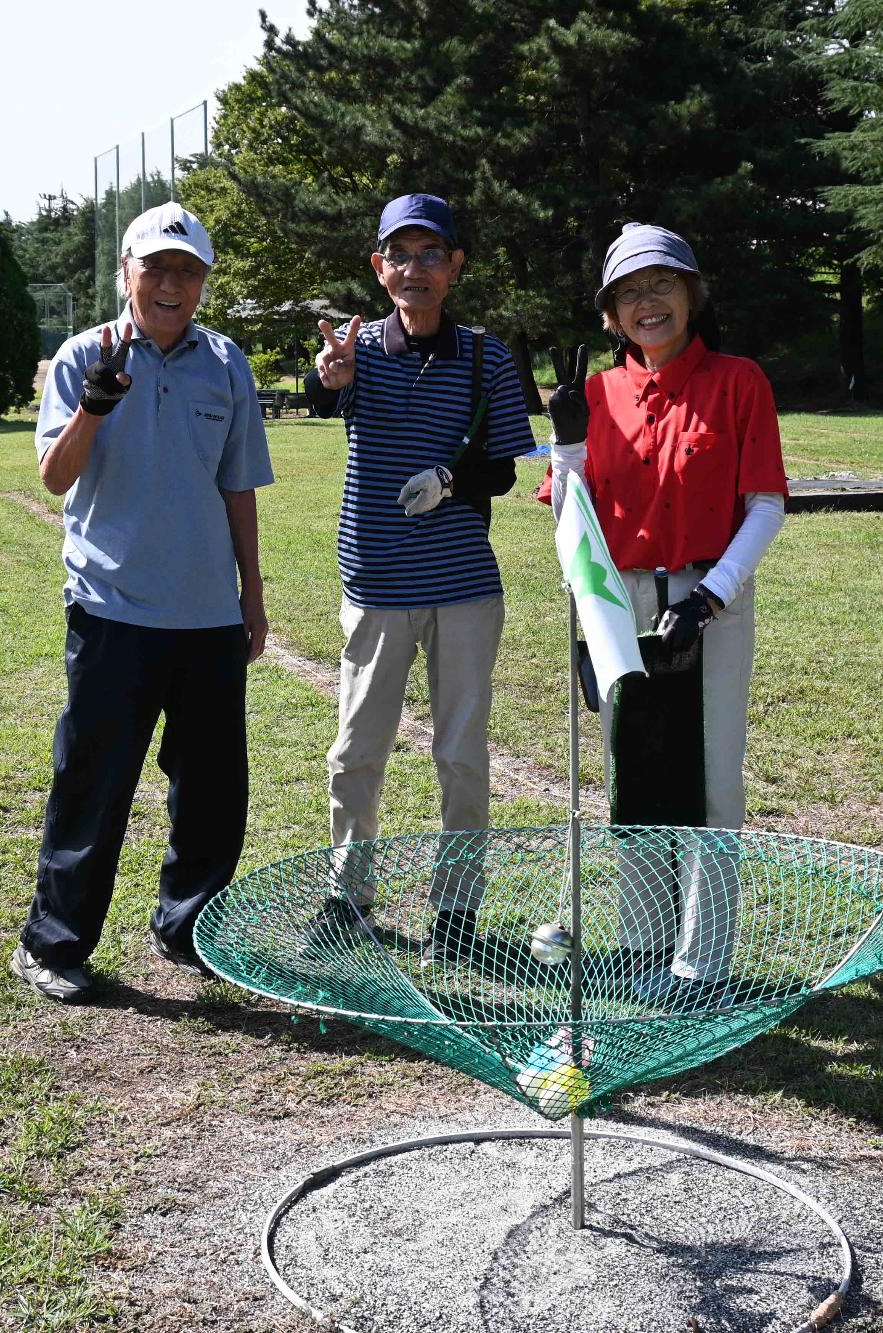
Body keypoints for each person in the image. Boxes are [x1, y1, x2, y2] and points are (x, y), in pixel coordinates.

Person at [10, 202, 273, 1003]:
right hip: (112, 610)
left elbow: (238, 485)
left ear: (202, 285)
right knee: (94, 783)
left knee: (213, 790)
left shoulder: (225, 363)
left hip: (207, 616)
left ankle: (188, 928)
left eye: (188, 271)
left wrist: (252, 595)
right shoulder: (82, 356)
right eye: (155, 267)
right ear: (126, 272)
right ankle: (53, 944)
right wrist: (96, 403)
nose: (171, 283)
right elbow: (55, 478)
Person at [540, 223, 788, 1001]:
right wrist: (564, 443)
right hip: (621, 602)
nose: (648, 303)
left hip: (710, 598)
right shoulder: (596, 393)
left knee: (710, 782)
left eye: (662, 285)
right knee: (636, 781)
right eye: (629, 292)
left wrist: (714, 592)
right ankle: (645, 950)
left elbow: (766, 503)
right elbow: (570, 518)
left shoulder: (738, 380)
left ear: (692, 294)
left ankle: (701, 962)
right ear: (610, 314)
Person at [302, 193, 536, 962]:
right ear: (379, 268)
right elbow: (323, 392)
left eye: (431, 254)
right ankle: (349, 896)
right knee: (355, 750)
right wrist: (326, 377)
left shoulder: (486, 356)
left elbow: (502, 469)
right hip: (374, 582)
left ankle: (457, 914)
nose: (415, 270)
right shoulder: (357, 350)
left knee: (461, 755)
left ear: (455, 266)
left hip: (465, 585)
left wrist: (451, 480)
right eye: (399, 256)